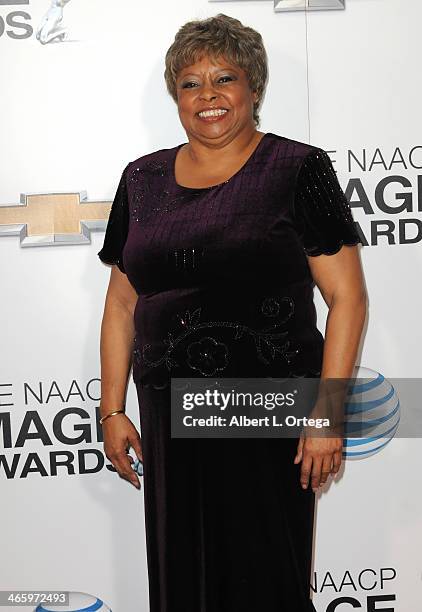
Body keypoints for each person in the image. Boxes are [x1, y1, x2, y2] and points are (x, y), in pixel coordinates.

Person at [97, 13, 366, 612]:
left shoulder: (297, 168)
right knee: (182, 568)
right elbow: (120, 303)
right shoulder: (140, 181)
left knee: (265, 567)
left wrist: (327, 414)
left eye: (225, 78)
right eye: (191, 83)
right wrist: (112, 408)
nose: (208, 95)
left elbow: (347, 298)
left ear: (254, 88)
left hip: (265, 406)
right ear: (176, 96)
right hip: (169, 410)